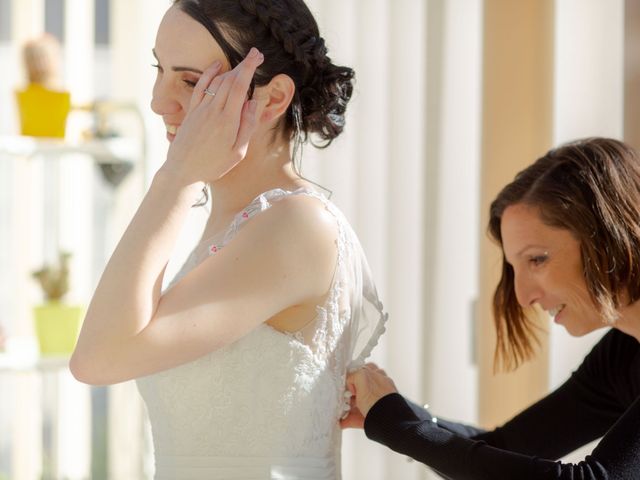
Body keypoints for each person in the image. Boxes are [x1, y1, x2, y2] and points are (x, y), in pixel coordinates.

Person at [70, 1, 386, 478]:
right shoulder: (238, 227)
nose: (159, 101)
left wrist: (178, 177)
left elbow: (97, 360)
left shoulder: (294, 226)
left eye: (191, 81)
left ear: (274, 98)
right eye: (159, 69)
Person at [344, 137, 640, 479]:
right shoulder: (623, 354)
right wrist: (396, 412)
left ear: (606, 236)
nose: (523, 295)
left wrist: (400, 426)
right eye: (515, 268)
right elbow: (507, 445)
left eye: (537, 259)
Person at [15, 33, 71, 138]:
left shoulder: (62, 95)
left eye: (42, 58)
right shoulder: (22, 94)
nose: (38, 65)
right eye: (32, 59)